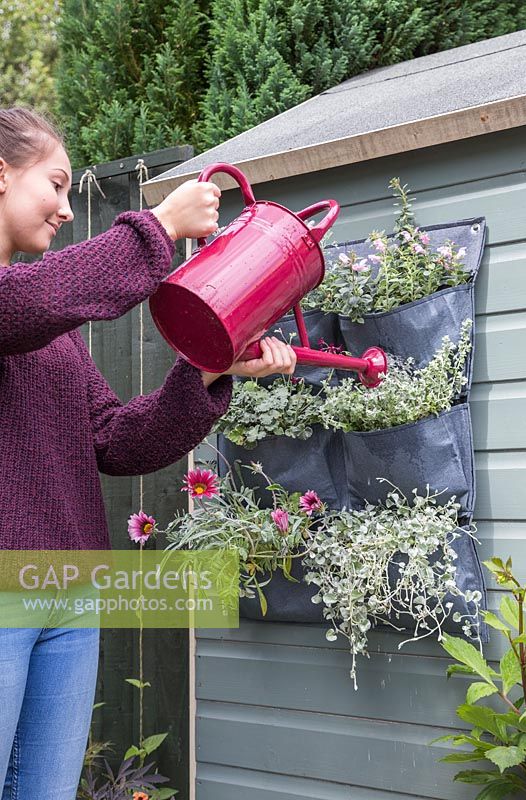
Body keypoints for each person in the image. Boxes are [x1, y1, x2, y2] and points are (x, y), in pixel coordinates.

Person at [0, 106, 296, 799]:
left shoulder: (52, 329)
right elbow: (34, 301)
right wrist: (158, 226)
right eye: (57, 184)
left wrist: (209, 370)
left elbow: (117, 439)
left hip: (68, 596)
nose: (68, 209)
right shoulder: (30, 305)